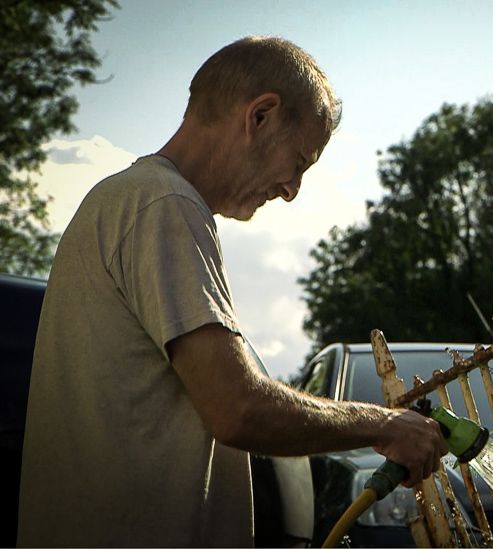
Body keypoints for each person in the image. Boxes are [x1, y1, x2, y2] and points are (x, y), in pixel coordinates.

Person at [17, 36, 447, 547]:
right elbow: (236, 407)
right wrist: (385, 426)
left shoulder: (124, 200)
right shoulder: (164, 204)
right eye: (300, 162)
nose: (291, 190)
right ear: (260, 115)